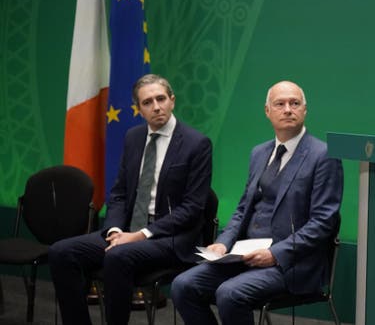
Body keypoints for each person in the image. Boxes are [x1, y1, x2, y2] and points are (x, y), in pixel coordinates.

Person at [171, 80, 343, 325]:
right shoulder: (259, 153)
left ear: (305, 110)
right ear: (267, 111)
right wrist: (222, 244)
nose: (287, 109)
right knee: (182, 285)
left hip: (292, 263)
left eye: (295, 103)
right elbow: (243, 209)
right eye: (280, 104)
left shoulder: (323, 155)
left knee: (229, 294)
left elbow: (323, 223)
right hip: (245, 255)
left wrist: (274, 253)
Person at [49, 74, 213, 324]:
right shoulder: (133, 137)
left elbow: (192, 209)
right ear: (139, 109)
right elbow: (119, 193)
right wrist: (115, 229)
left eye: (161, 99)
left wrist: (140, 234)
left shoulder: (197, 144)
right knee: (61, 251)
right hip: (127, 230)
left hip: (172, 237)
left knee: (117, 256)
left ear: (172, 100)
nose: (156, 106)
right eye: (147, 102)